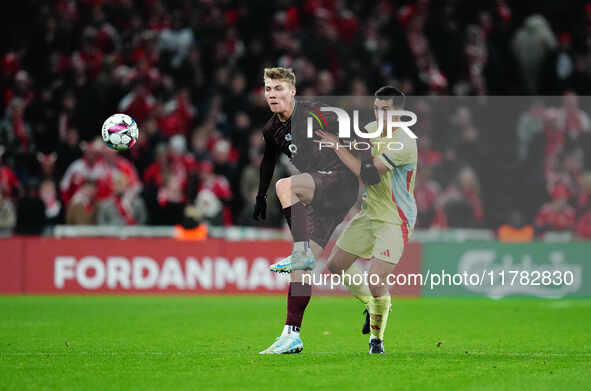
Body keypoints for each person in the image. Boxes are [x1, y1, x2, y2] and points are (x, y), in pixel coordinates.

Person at [254, 67, 367, 354]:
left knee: (285, 186)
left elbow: (355, 130)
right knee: (301, 270)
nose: (272, 94)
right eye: (268, 89)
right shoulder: (271, 129)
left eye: (278, 89)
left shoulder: (315, 113)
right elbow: (267, 161)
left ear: (292, 92)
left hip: (339, 181)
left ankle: (300, 249)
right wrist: (259, 196)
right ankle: (292, 334)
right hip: (320, 193)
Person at [315, 86, 417, 354]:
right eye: (376, 109)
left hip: (395, 218)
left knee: (375, 279)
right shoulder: (371, 128)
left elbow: (369, 174)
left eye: (386, 109)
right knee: (336, 265)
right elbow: (355, 149)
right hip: (370, 212)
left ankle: (376, 340)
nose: (379, 114)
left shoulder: (405, 142)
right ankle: (372, 305)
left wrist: (337, 147)